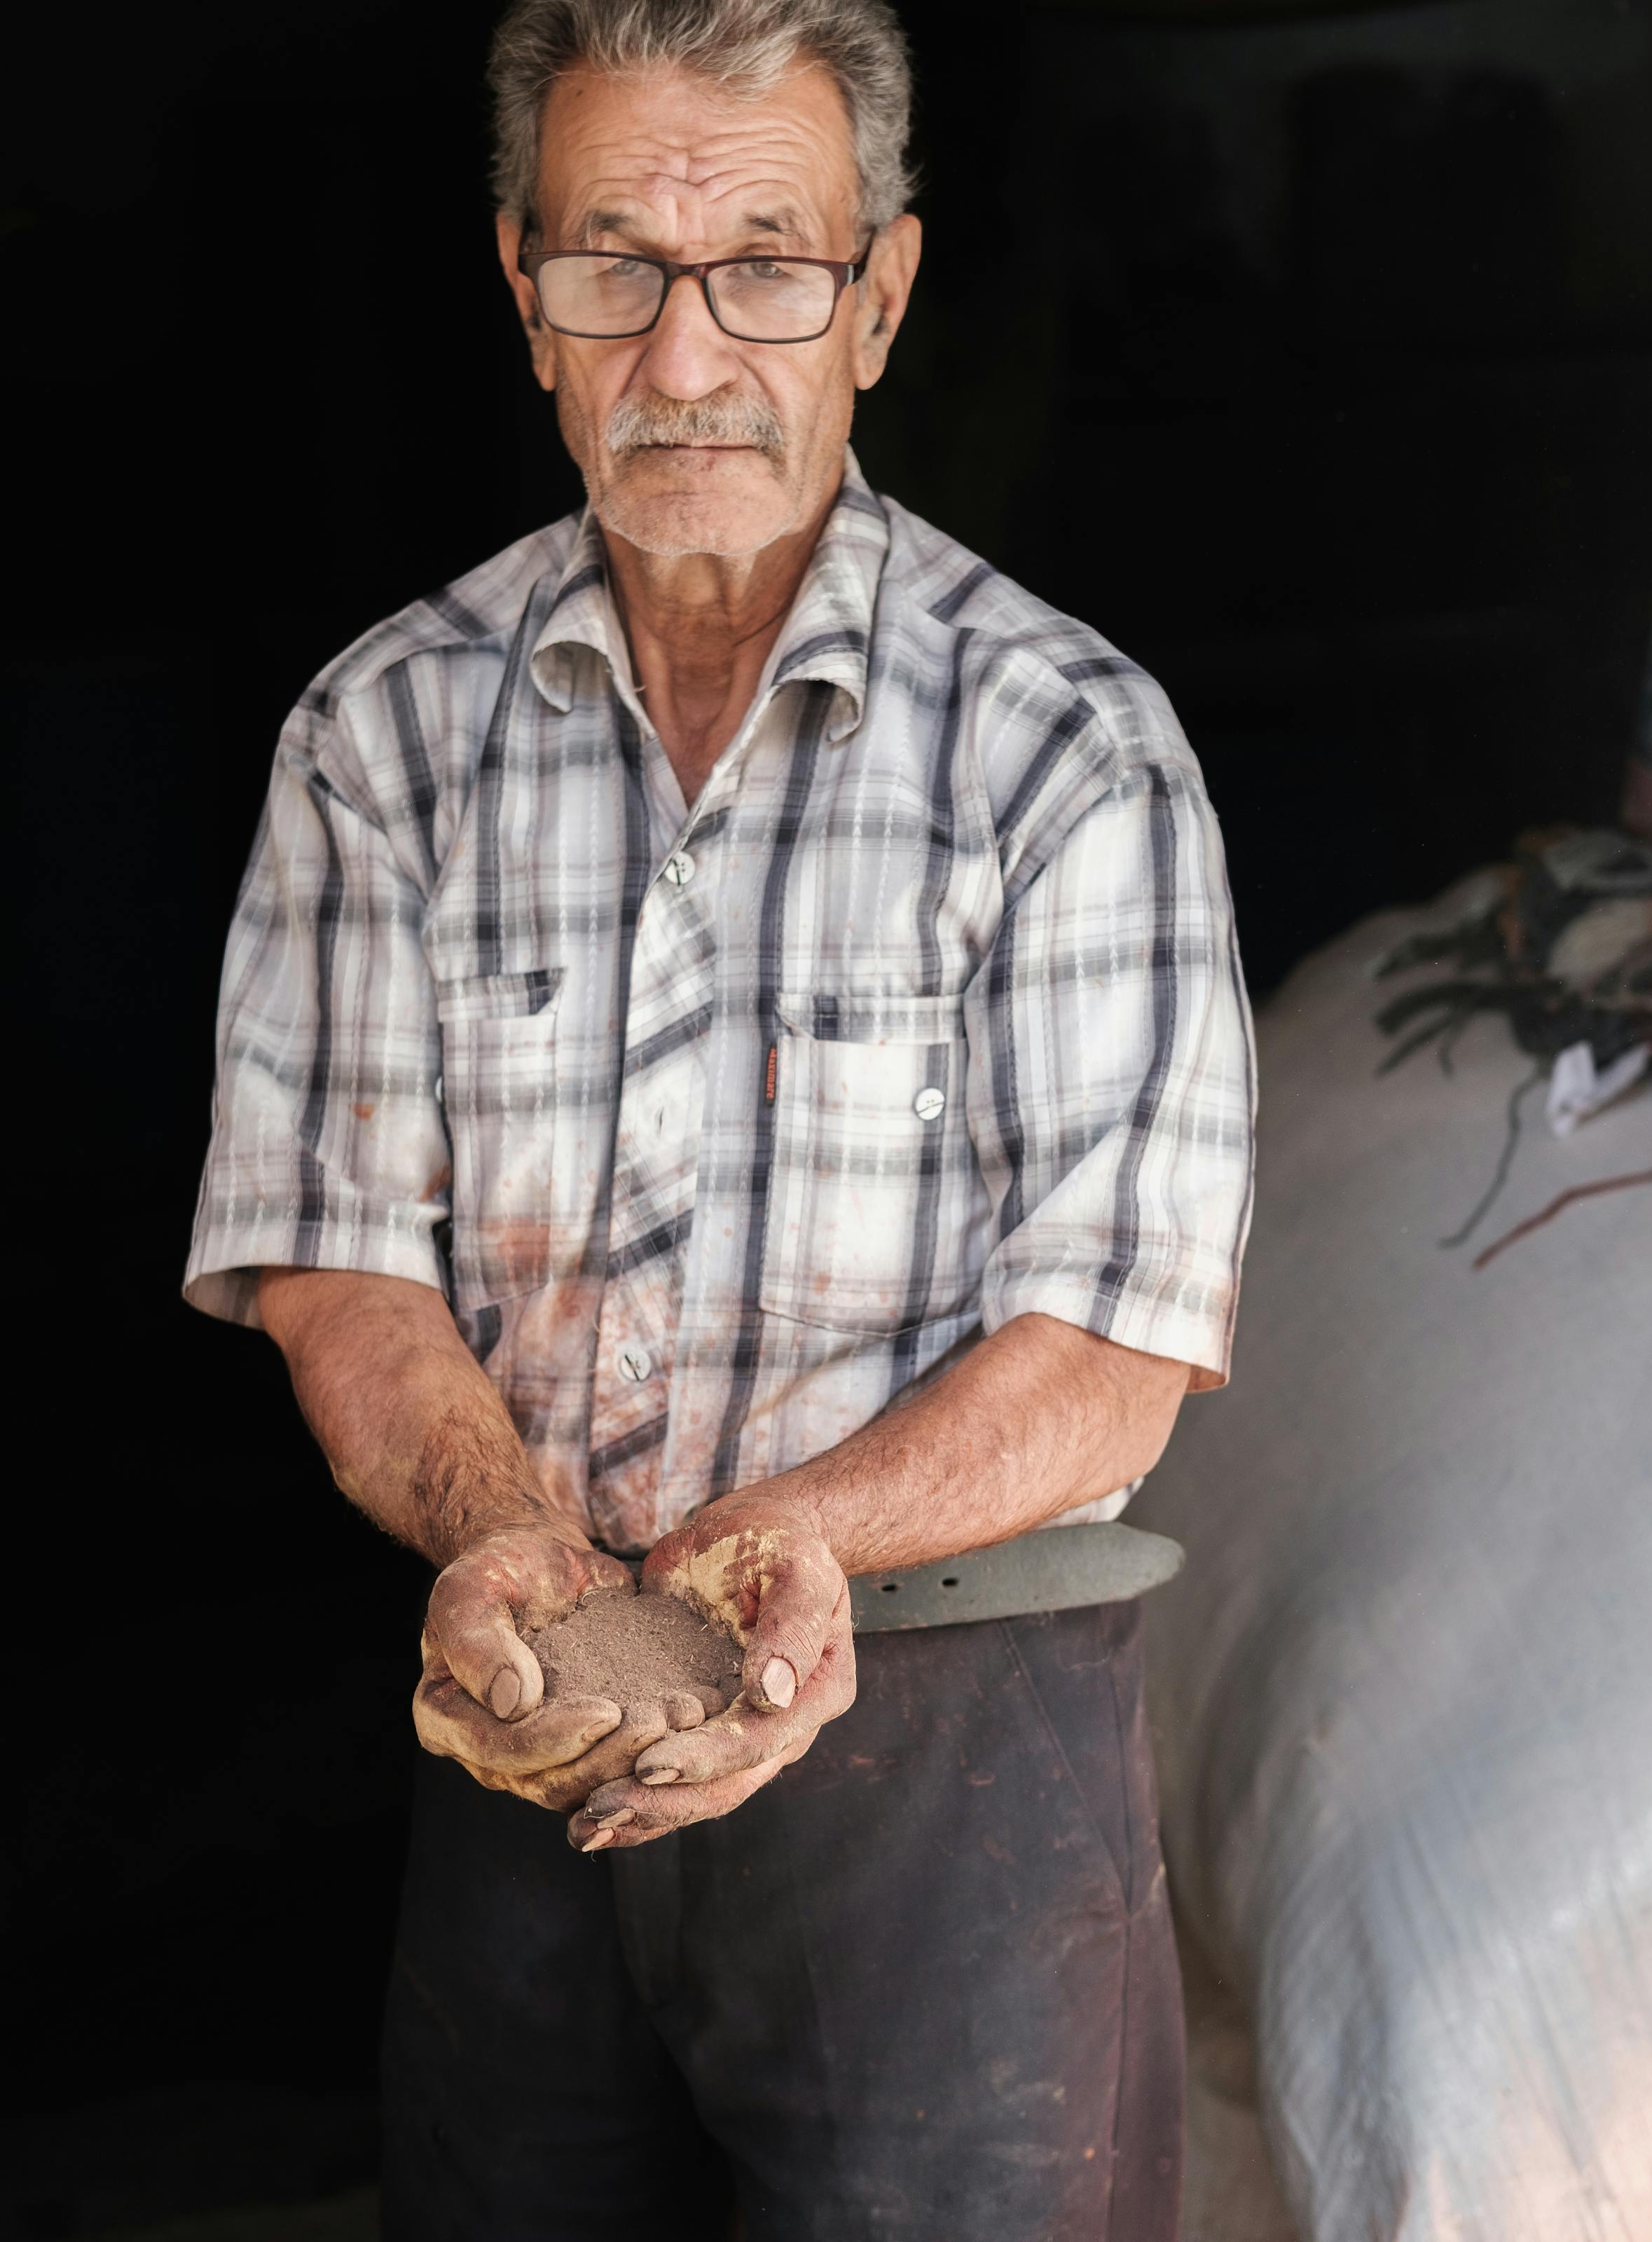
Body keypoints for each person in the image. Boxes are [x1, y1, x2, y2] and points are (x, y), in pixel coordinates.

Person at [184, 1, 1255, 2232]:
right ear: (524, 298)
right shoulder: (378, 741)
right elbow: (334, 1260)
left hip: (958, 1763)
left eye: (767, 262)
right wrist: (499, 1526)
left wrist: (812, 1536)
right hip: (526, 1713)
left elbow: (1124, 1329)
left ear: (877, 300)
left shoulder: (1068, 750)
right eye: (615, 266)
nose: (688, 359)